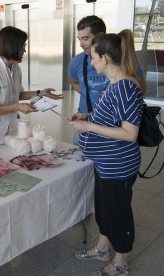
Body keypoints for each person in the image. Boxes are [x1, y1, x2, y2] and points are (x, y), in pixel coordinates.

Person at [70, 29, 143, 276]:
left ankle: (121, 262)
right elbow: (113, 117)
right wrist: (87, 116)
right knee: (103, 208)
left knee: (118, 213)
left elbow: (129, 133)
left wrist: (88, 126)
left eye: (93, 57)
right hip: (106, 164)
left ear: (105, 58)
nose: (91, 62)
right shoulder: (116, 83)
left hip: (118, 165)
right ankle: (103, 247)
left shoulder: (123, 86)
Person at [0, 26, 62, 153]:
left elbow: (18, 94)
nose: (25, 50)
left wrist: (41, 93)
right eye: (22, 47)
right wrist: (18, 107)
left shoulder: (15, 68)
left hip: (6, 129)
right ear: (12, 47)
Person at [69, 16, 146, 115]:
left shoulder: (123, 60)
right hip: (85, 118)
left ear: (100, 36)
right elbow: (74, 82)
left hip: (115, 124)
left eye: (85, 39)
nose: (81, 44)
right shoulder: (76, 62)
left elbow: (140, 88)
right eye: (79, 39)